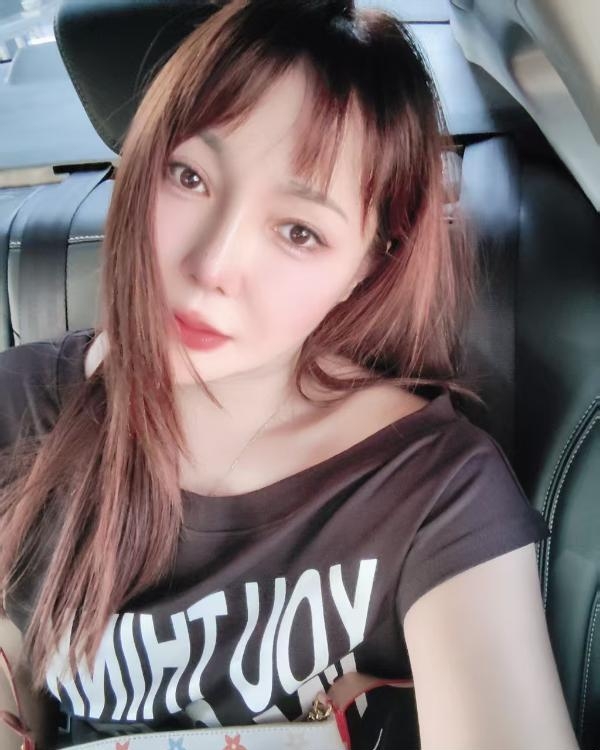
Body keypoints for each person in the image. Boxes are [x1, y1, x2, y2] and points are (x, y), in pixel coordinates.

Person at [0, 1, 579, 748]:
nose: (212, 265)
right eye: (189, 176)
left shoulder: (434, 493)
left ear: (367, 264)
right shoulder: (19, 407)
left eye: (299, 231)